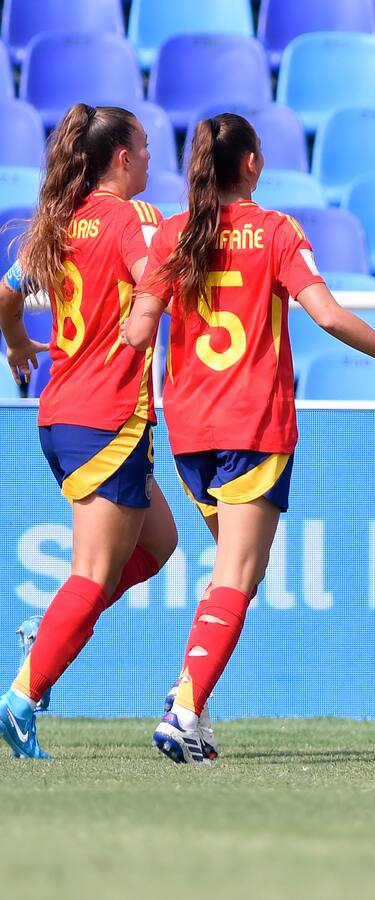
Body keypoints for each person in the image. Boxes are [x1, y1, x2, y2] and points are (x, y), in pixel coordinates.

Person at [123, 113, 375, 764]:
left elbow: (139, 327)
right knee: (240, 573)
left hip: (190, 431)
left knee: (237, 569)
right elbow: (327, 315)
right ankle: (184, 712)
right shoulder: (274, 231)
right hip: (254, 424)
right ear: (252, 164)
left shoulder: (174, 234)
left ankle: (190, 694)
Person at [0, 104, 179, 759]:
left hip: (61, 415)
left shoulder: (60, 222)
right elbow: (155, 279)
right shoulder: (132, 220)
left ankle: (52, 629)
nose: (152, 157)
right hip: (108, 418)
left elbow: (6, 294)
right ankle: (20, 700)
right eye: (146, 147)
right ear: (123, 158)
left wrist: (18, 344)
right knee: (94, 573)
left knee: (159, 542)